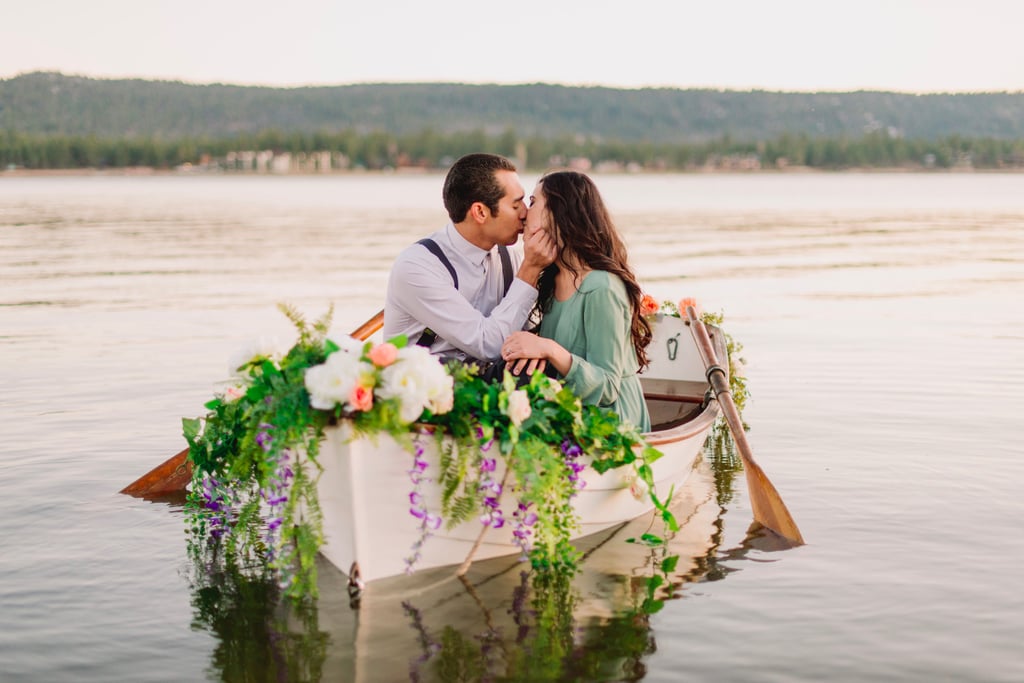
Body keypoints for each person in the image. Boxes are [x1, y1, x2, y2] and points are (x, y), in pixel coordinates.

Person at [500, 170, 652, 431]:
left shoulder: (601, 287)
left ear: (560, 213)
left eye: (534, 202)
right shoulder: (553, 278)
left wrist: (549, 348)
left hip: (612, 424)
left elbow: (607, 388)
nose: (524, 212)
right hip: (566, 411)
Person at [383, 153, 556, 371]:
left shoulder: (508, 258)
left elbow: (524, 333)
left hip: (486, 386)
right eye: (515, 205)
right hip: (422, 390)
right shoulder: (418, 266)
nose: (525, 213)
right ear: (480, 212)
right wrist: (531, 270)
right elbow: (488, 345)